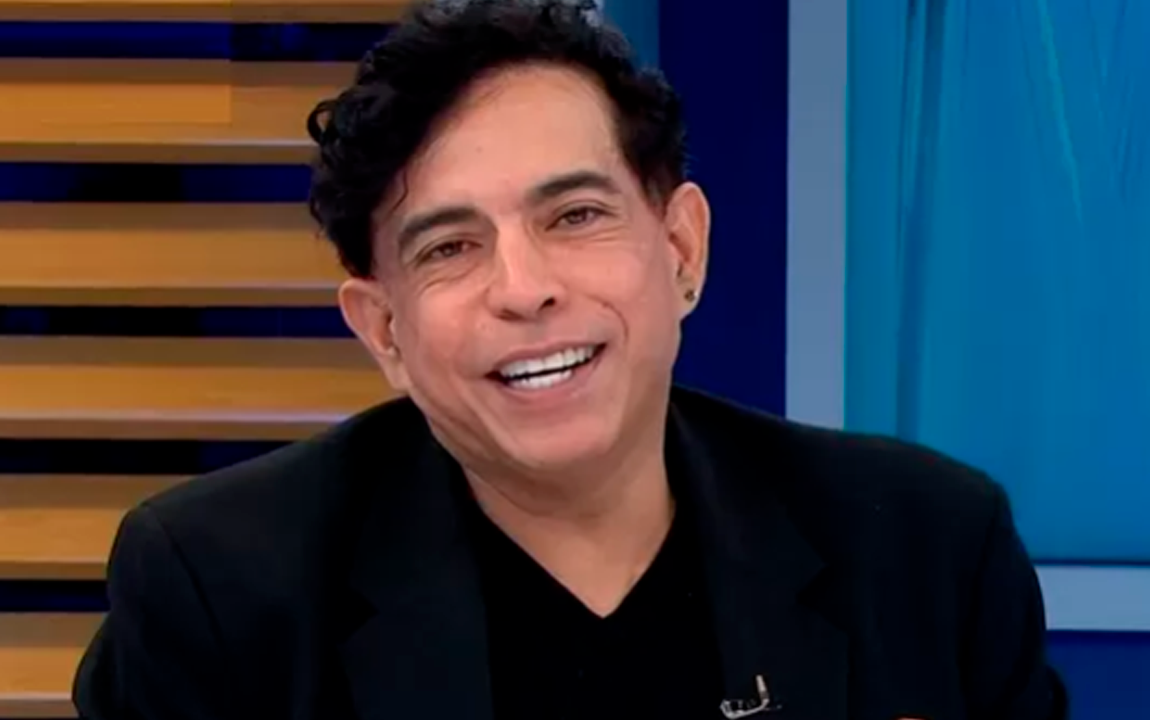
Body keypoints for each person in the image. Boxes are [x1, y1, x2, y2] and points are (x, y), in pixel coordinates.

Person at [73, 1, 1068, 718]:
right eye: (449, 247)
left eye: (575, 216)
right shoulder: (224, 591)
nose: (525, 287)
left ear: (681, 249)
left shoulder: (924, 551)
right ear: (384, 332)